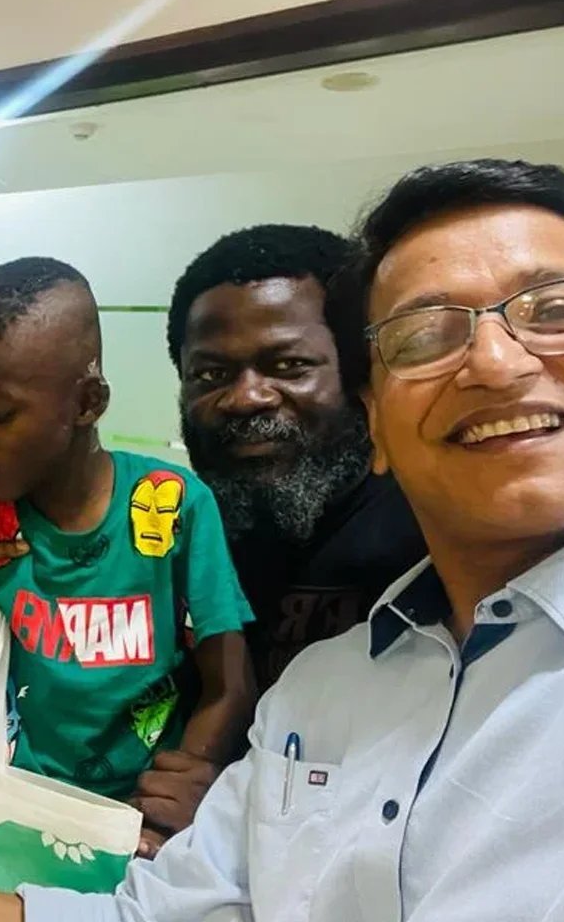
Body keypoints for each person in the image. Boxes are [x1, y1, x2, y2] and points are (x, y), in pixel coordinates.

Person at [0, 158, 564, 920]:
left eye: (557, 311)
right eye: (211, 374)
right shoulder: (323, 684)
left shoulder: (177, 510)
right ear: (378, 414)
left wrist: (204, 772)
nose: (494, 362)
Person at [0, 257, 255, 859]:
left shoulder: (171, 505)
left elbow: (230, 681)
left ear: (87, 402)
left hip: (133, 830)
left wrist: (180, 790)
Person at [168, 224, 426, 689]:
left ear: (361, 372)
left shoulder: (436, 532)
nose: (246, 398)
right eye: (211, 374)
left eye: (289, 366)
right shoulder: (170, 538)